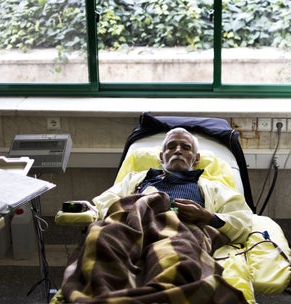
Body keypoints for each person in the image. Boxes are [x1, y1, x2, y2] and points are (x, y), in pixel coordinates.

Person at [53, 128, 253, 304]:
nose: (178, 150)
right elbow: (104, 204)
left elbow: (243, 220)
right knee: (100, 238)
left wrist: (205, 216)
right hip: (129, 225)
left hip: (180, 231)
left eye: (186, 147)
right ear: (161, 156)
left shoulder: (213, 186)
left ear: (196, 158)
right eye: (171, 146)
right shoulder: (135, 179)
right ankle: (104, 294)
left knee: (179, 256)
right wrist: (90, 208)